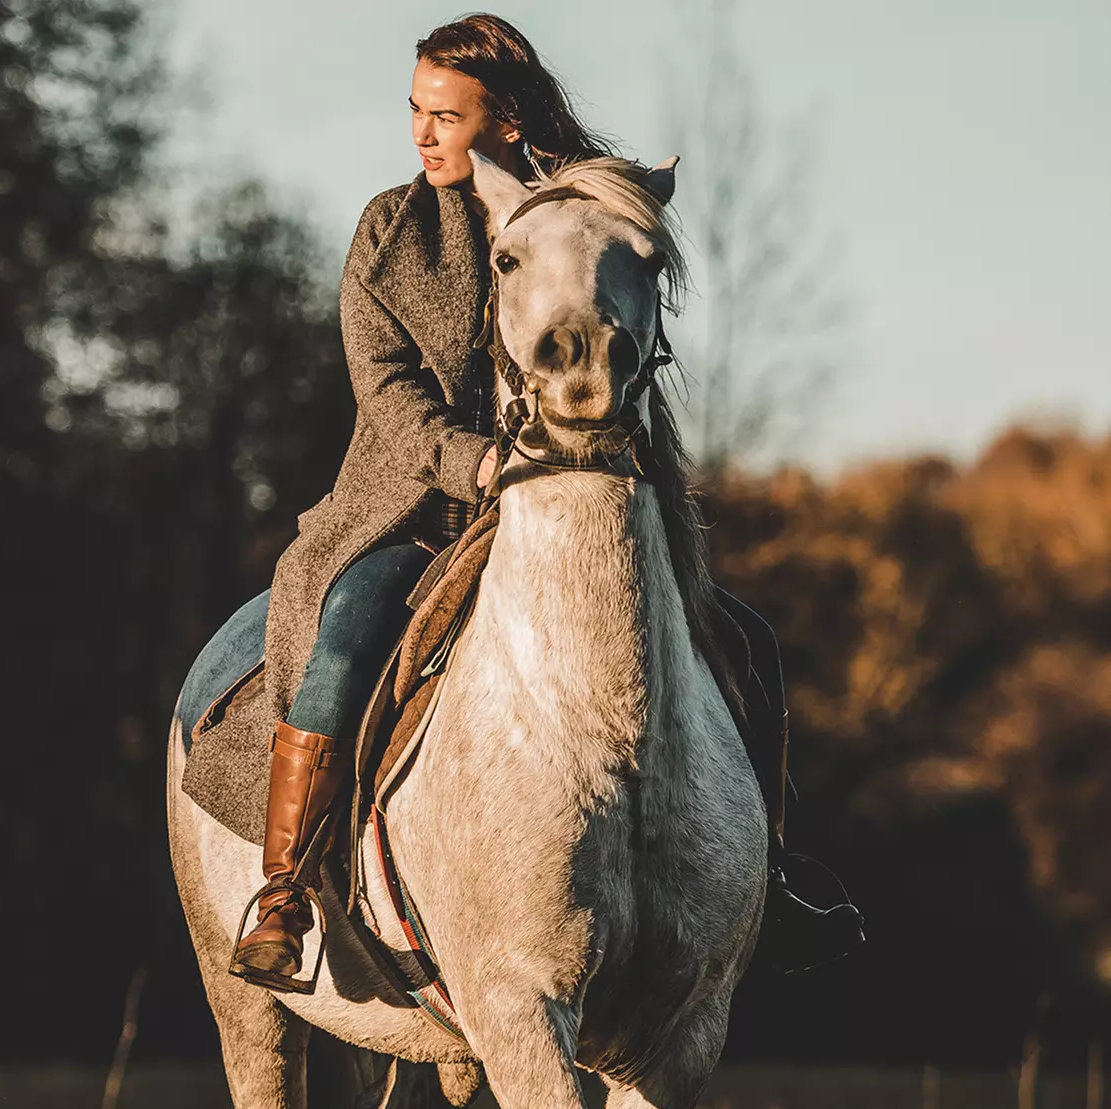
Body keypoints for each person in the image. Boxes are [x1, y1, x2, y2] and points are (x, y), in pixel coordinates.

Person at [221, 13, 864, 990]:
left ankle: (766, 878)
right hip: (419, 517)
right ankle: (285, 886)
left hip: (576, 518)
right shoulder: (388, 232)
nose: (423, 135)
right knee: (348, 627)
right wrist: (477, 464)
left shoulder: (584, 213)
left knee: (750, 641)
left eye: (447, 115)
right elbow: (389, 399)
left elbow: (628, 347)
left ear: (508, 119)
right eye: (416, 110)